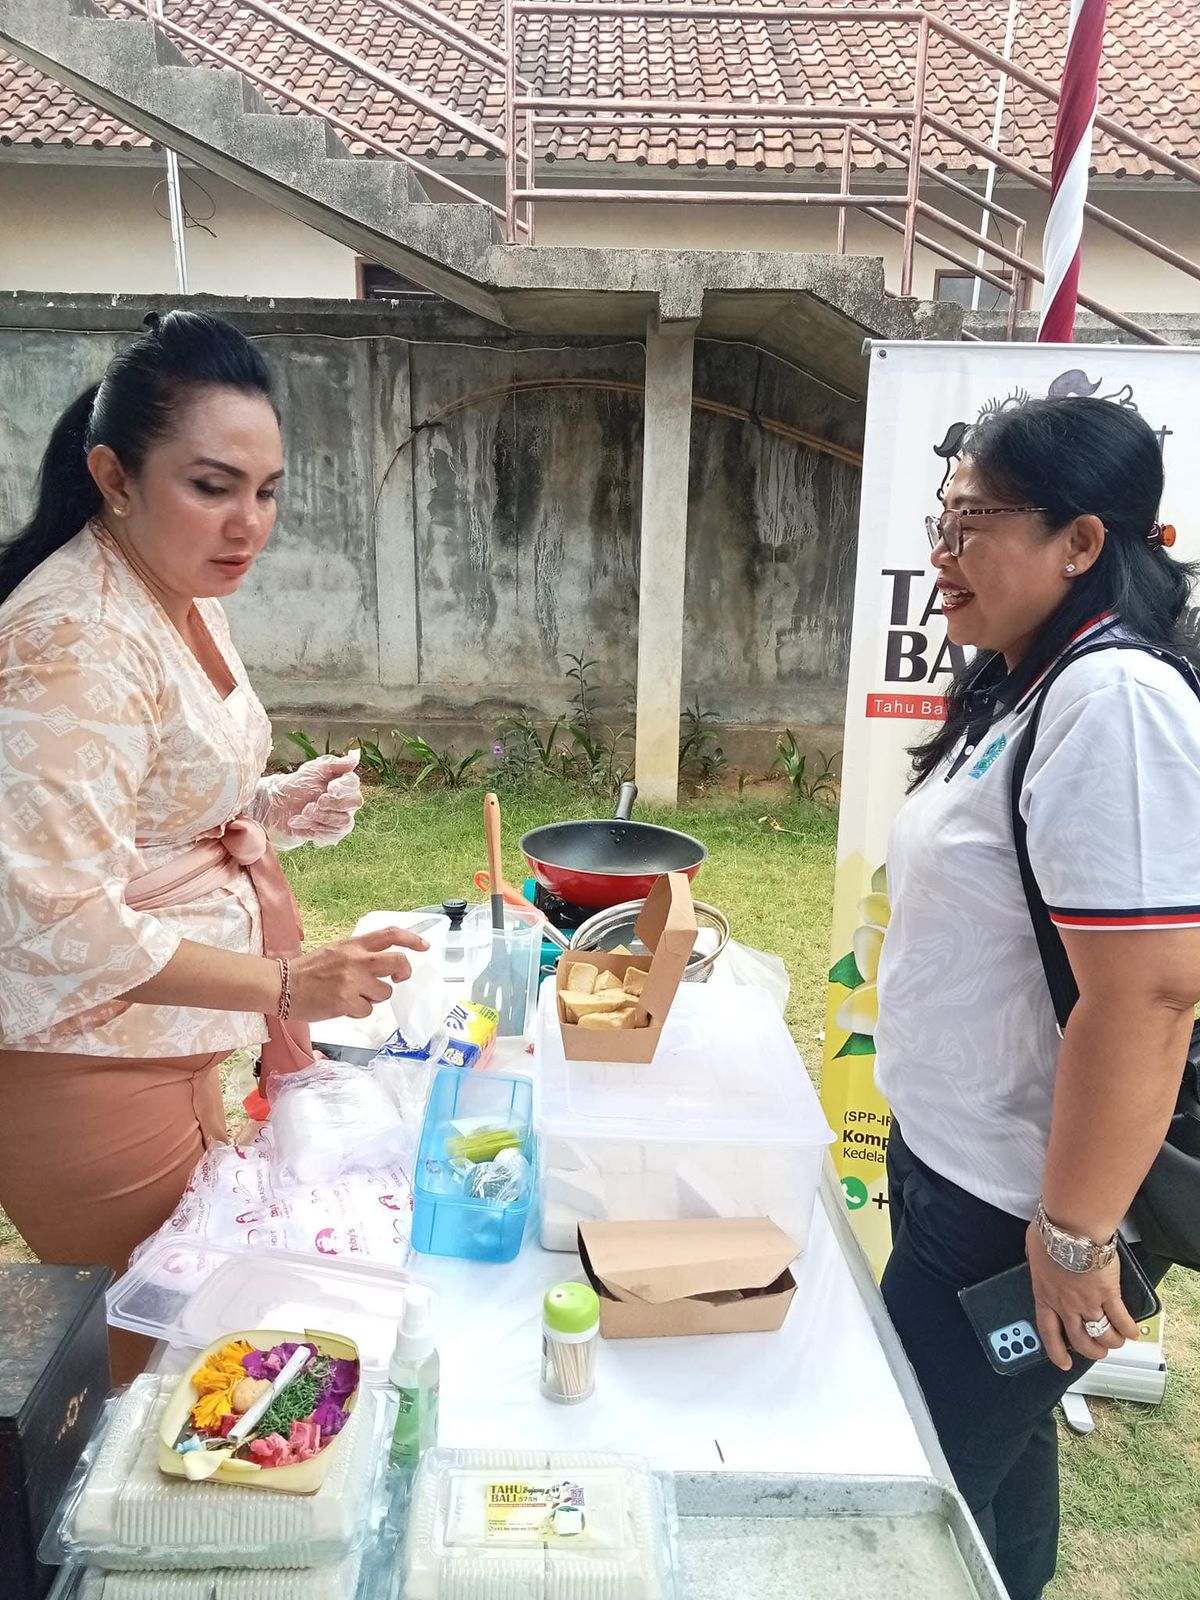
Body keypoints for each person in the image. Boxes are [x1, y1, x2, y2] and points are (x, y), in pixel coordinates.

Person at [0, 311, 424, 1380]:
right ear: (114, 474)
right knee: (174, 1378)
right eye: (212, 485)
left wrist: (272, 804)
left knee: (214, 1358)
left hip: (181, 1043)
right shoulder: (76, 637)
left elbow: (146, 795)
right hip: (87, 1070)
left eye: (267, 489)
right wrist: (288, 981)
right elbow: (60, 914)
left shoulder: (175, 592)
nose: (248, 523)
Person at [873, 396, 1200, 1600]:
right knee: (990, 1489)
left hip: (1014, 1212)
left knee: (906, 1506)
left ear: (1082, 540)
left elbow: (1150, 996)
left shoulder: (1113, 701)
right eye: (941, 518)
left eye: (975, 521)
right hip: (951, 1169)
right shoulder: (1019, 686)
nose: (942, 552)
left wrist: (1071, 1237)